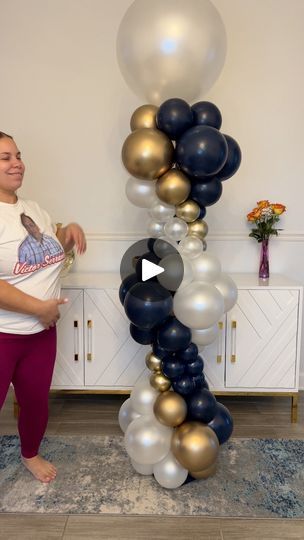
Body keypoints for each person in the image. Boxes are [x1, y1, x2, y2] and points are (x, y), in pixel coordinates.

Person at [0, 131, 86, 483]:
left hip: (42, 333)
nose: (17, 162)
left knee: (35, 402)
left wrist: (68, 232)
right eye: (5, 157)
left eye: (18, 155)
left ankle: (30, 454)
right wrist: (38, 307)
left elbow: (49, 248)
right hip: (4, 334)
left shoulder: (33, 209)